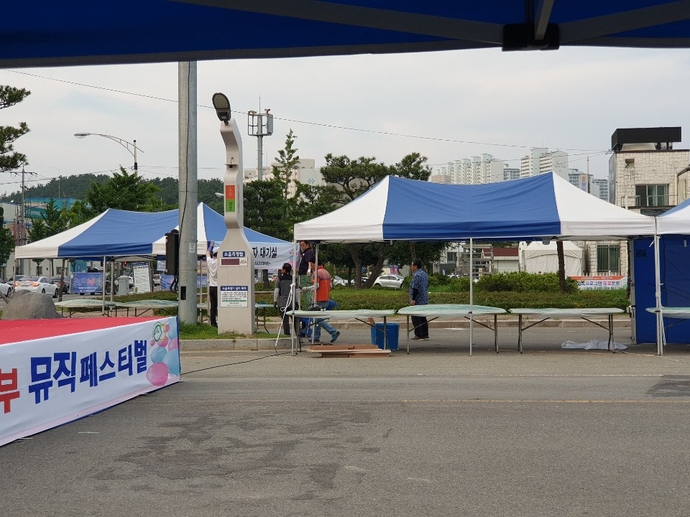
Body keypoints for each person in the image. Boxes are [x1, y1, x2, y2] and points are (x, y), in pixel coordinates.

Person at [309, 261, 340, 344]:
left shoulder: (316, 273)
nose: (311, 267)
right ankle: (316, 336)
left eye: (311, 265)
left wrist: (307, 289)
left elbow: (316, 286)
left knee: (318, 318)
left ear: (314, 264)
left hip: (319, 298)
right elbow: (330, 286)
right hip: (326, 298)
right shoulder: (326, 272)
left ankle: (333, 331)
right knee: (317, 318)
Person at [273, 262, 298, 336]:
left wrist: (275, 301)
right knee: (295, 319)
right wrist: (297, 302)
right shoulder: (293, 279)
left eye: (282, 268)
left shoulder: (279, 279)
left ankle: (287, 334)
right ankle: (298, 334)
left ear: (284, 270)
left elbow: (276, 291)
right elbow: (297, 291)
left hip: (283, 303)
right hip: (292, 302)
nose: (281, 269)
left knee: (285, 319)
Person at [298, 241, 315, 337]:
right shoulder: (305, 252)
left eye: (303, 245)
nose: (302, 247)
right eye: (301, 245)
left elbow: (309, 262)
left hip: (305, 274)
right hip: (304, 274)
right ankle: (308, 305)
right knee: (305, 291)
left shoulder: (308, 252)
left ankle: (308, 306)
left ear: (307, 245)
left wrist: (309, 270)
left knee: (305, 290)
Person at [409, 258, 429, 340]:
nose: (411, 267)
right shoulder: (424, 274)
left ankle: (418, 334)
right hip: (424, 298)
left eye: (412, 265)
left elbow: (415, 288)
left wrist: (413, 299)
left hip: (418, 299)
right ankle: (425, 333)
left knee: (416, 317)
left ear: (415, 266)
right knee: (423, 317)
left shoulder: (417, 275)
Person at [206, 243, 218, 327]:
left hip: (211, 287)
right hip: (218, 287)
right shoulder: (220, 262)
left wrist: (211, 246)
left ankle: (213, 323)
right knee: (220, 306)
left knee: (213, 306)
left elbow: (207, 253)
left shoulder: (210, 261)